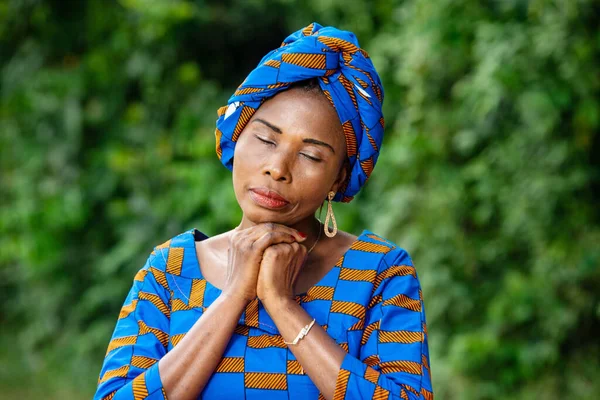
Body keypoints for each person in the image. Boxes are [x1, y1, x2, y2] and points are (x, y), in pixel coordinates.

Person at [94, 22, 434, 400]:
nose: (278, 168)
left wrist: (284, 306)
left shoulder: (380, 275)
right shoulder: (170, 269)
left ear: (338, 179)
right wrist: (233, 296)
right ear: (237, 136)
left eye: (310, 155)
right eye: (265, 139)